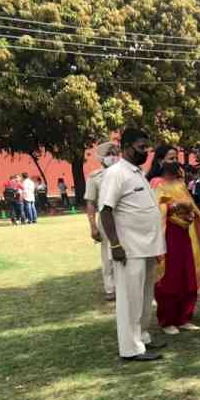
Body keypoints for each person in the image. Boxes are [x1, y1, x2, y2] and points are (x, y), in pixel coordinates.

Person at [99, 128, 166, 362]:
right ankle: (131, 348)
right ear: (126, 147)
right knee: (130, 299)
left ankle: (142, 337)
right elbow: (105, 211)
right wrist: (115, 245)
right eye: (140, 147)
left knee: (146, 296)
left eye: (147, 147)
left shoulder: (138, 173)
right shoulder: (116, 173)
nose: (145, 152)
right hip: (129, 249)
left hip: (147, 247)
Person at [151, 162, 200, 334]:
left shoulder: (181, 184)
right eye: (170, 157)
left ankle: (184, 318)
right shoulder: (156, 183)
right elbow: (154, 208)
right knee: (170, 277)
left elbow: (191, 204)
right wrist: (171, 207)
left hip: (185, 233)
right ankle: (167, 320)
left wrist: (190, 213)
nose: (175, 160)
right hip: (168, 234)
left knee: (187, 274)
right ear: (161, 160)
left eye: (175, 157)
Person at [85, 141, 120, 302]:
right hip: (106, 219)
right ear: (101, 158)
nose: (112, 157)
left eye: (115, 154)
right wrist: (92, 226)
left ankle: (124, 284)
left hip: (126, 218)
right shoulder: (94, 177)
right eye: (108, 155)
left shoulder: (125, 173)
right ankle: (110, 287)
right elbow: (91, 203)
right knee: (108, 253)